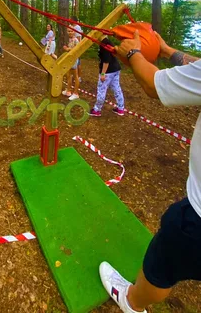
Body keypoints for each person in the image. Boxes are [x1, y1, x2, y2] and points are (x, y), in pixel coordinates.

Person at [99, 30, 201, 313]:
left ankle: (131, 301)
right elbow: (197, 69)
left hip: (198, 217)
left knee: (162, 265)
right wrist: (167, 52)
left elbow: (153, 85)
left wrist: (134, 53)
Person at [89, 38, 124, 117]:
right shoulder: (108, 41)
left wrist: (103, 73)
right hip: (115, 69)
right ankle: (120, 108)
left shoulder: (104, 44)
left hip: (108, 72)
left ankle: (97, 110)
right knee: (116, 88)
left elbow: (106, 60)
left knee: (101, 89)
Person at [62, 28, 80, 101]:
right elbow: (66, 48)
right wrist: (65, 48)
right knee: (68, 75)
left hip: (74, 59)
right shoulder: (68, 40)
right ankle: (68, 91)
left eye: (71, 31)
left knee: (75, 76)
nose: (70, 32)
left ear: (74, 32)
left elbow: (77, 49)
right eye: (68, 31)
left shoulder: (76, 40)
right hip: (69, 59)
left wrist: (68, 49)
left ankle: (76, 93)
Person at [71, 15, 83, 82]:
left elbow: (78, 38)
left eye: (71, 19)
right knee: (74, 62)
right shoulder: (73, 27)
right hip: (73, 47)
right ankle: (75, 75)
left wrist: (77, 47)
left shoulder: (77, 27)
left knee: (78, 63)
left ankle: (79, 77)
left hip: (77, 47)